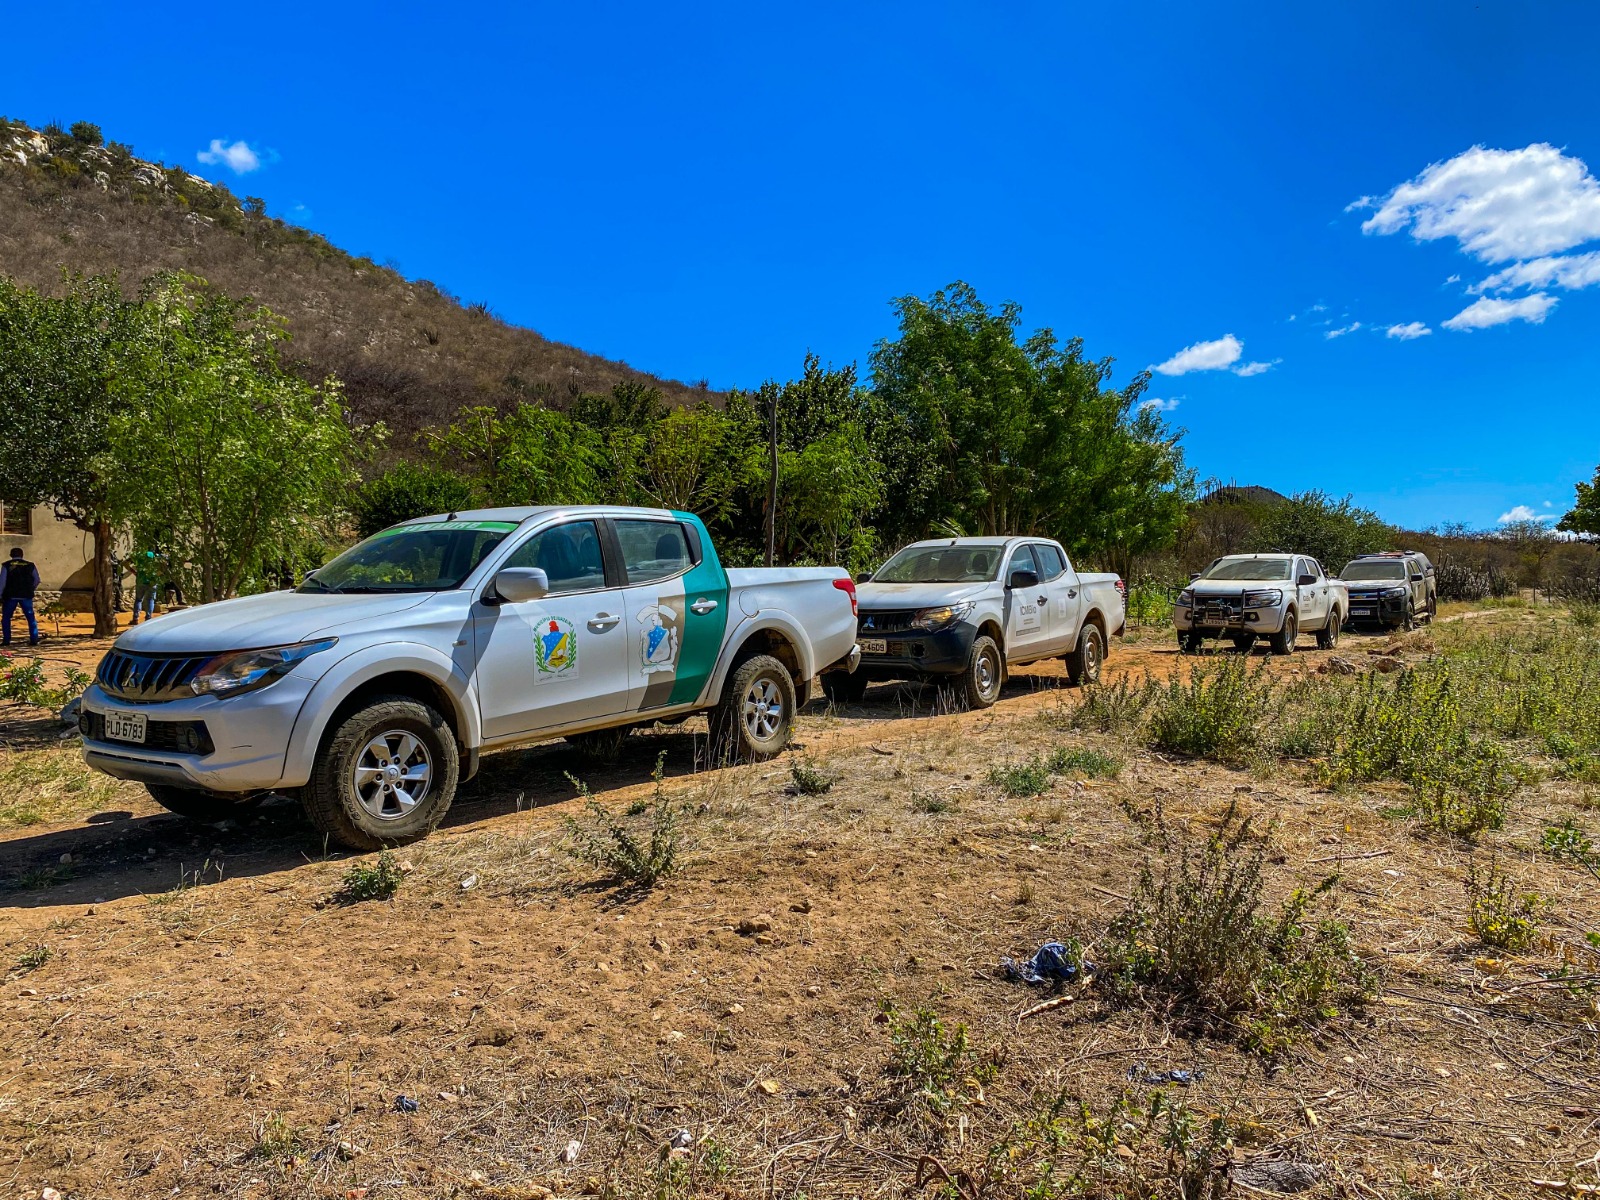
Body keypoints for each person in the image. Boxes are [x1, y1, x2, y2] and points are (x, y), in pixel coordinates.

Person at [0, 547, 42, 647]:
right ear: (22, 555)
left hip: (10, 596)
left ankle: (6, 640)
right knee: (30, 618)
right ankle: (34, 639)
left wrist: (0, 594)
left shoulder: (6, 565)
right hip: (26, 595)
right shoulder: (30, 565)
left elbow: (2, 582)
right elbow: (37, 580)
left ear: (11, 555)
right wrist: (30, 589)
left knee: (6, 618)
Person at [132, 550, 161, 624]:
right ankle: (148, 618)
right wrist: (158, 574)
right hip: (152, 582)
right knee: (150, 600)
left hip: (140, 581)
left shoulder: (139, 555)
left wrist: (134, 572)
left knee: (138, 600)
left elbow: (125, 563)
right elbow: (165, 564)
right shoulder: (155, 556)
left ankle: (135, 618)